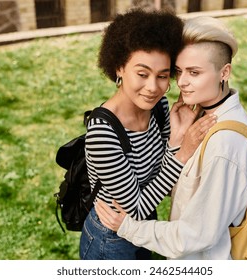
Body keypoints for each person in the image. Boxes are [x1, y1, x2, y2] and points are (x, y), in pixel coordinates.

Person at [95, 16, 247, 260]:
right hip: (112, 236)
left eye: (194, 72)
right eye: (179, 71)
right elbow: (160, 190)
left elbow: (194, 234)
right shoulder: (200, 116)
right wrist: (178, 144)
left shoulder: (223, 144)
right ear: (119, 67)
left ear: (224, 72)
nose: (181, 83)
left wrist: (128, 227)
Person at [80, 10, 217, 260]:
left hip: (144, 229)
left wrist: (176, 137)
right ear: (119, 67)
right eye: (142, 74)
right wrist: (183, 150)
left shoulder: (161, 109)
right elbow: (137, 208)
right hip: (111, 238)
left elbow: (165, 187)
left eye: (163, 76)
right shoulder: (103, 132)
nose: (153, 88)